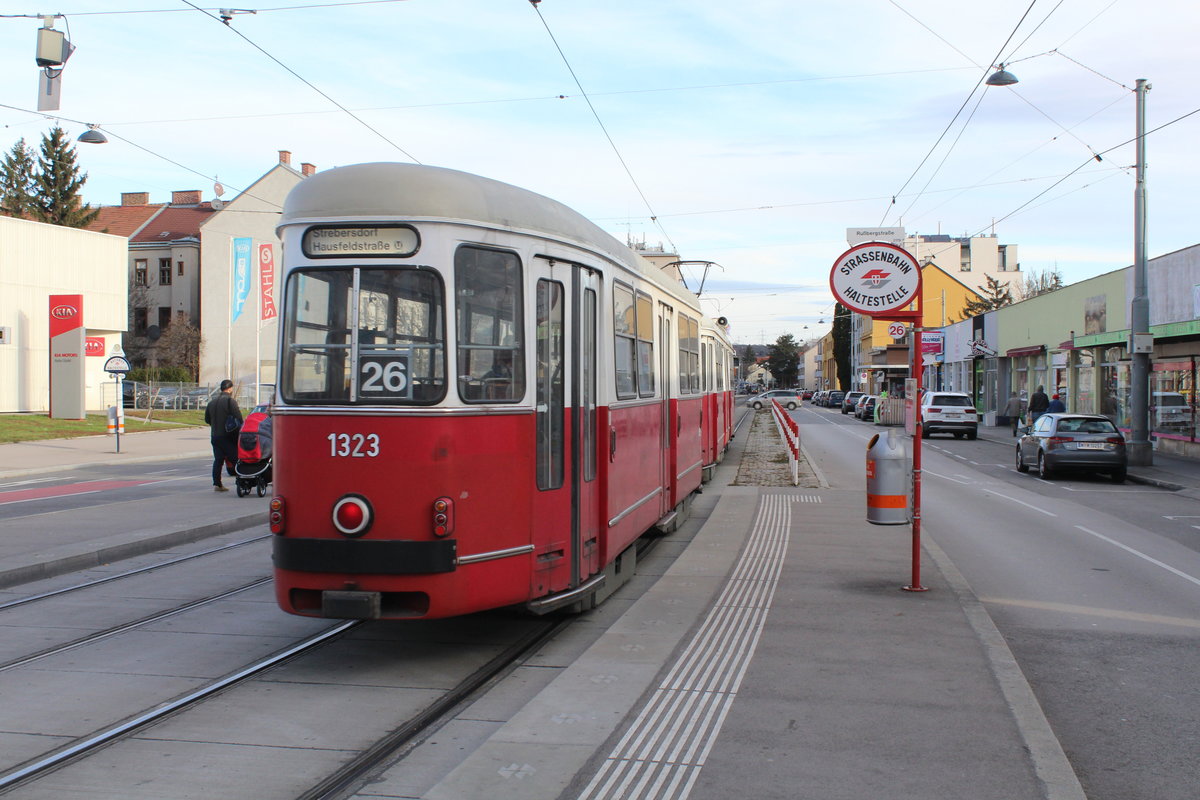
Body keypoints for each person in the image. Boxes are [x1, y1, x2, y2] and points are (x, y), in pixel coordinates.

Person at [204, 379, 241, 492]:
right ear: (230, 388)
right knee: (235, 460)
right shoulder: (230, 401)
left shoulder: (212, 402)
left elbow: (207, 419)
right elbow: (239, 418)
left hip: (215, 435)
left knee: (218, 460)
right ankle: (242, 482)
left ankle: (217, 484)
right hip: (227, 436)